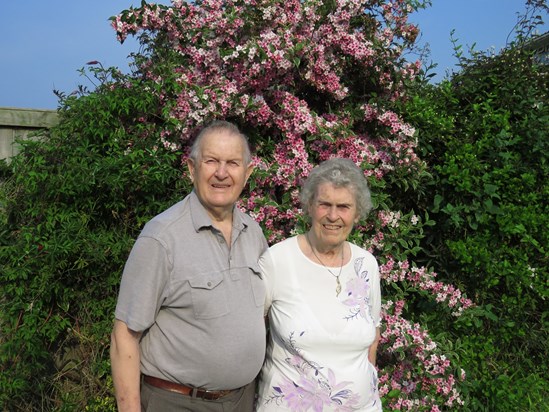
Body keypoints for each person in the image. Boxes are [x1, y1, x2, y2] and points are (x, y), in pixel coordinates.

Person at [110, 120, 268, 412]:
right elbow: (125, 335)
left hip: (242, 401)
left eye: (232, 163)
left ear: (247, 174)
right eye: (211, 161)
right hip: (178, 402)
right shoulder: (161, 237)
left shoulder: (253, 232)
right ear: (192, 169)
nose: (222, 173)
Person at [257, 158, 382, 411]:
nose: (333, 216)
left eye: (344, 206)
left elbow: (373, 339)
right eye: (325, 204)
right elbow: (251, 332)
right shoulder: (278, 260)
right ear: (310, 206)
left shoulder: (366, 264)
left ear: (357, 213)